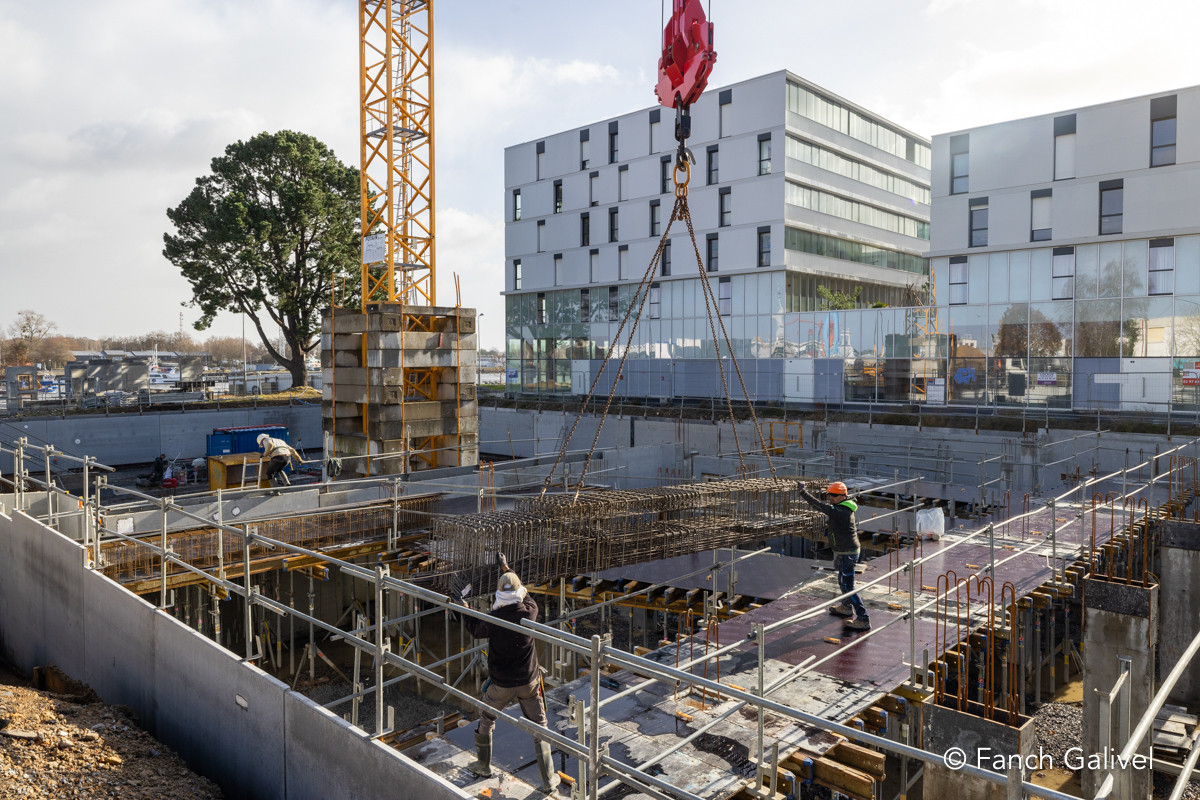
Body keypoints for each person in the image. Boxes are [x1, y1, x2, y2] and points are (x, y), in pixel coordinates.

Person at [455, 555, 560, 793]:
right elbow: (525, 593)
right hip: (528, 682)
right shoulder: (530, 612)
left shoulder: (493, 620)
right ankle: (548, 780)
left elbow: (475, 628)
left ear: (499, 594)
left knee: (486, 719)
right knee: (540, 726)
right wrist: (505, 567)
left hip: (501, 684)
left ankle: (483, 766)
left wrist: (464, 607)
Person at [799, 480, 870, 631]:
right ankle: (846, 607)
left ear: (843, 496)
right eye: (829, 495)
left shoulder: (842, 512)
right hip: (842, 552)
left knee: (848, 586)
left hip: (847, 553)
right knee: (842, 582)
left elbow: (820, 506)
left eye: (833, 495)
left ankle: (863, 618)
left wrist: (803, 493)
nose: (830, 498)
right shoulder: (841, 507)